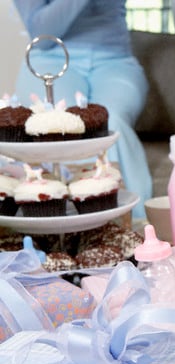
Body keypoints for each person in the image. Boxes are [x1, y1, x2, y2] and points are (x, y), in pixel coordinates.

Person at [12, 0, 152, 219]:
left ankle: (135, 223)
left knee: (112, 121)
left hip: (116, 61)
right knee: (61, 124)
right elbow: (42, 32)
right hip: (49, 58)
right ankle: (65, 228)